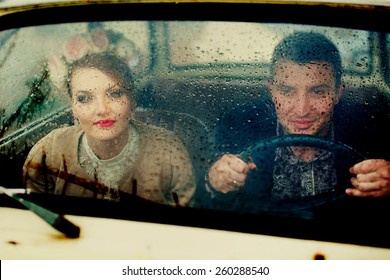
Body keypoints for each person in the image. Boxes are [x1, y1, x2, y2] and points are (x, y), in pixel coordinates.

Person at [205, 31, 390, 212]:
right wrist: (213, 183)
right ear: (272, 90)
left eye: (318, 92)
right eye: (286, 91)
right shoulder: (238, 127)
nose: (302, 110)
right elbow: (205, 206)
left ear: (337, 92)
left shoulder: (374, 130)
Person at [23, 51, 196, 206]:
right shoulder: (50, 151)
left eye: (115, 94)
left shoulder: (168, 149)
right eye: (84, 98)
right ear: (72, 108)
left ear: (132, 100)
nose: (102, 109)